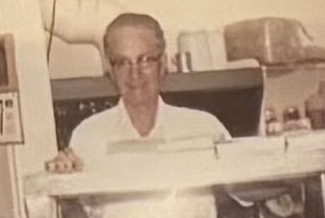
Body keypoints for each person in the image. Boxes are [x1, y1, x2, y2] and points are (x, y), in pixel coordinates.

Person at [59, 11, 222, 163]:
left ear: (163, 64)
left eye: (145, 60)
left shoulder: (205, 129)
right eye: (123, 62)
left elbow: (237, 190)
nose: (134, 73)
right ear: (111, 71)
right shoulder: (87, 137)